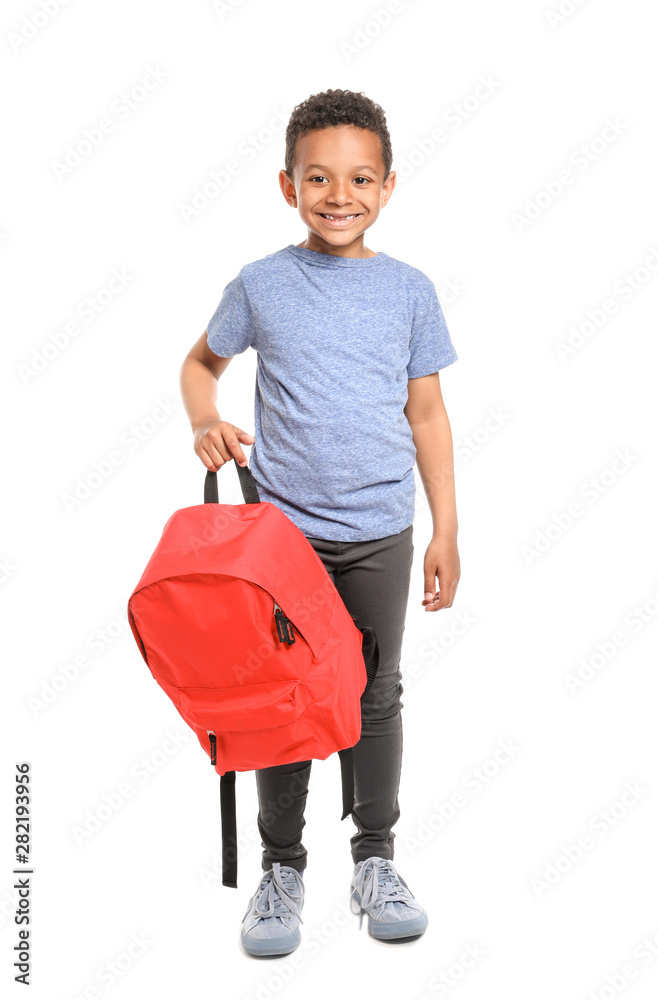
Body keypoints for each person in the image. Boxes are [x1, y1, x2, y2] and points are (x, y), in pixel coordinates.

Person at [179, 88, 461, 957]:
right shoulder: (261, 284)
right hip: (281, 542)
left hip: (379, 531)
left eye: (361, 178)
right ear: (287, 185)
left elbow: (427, 416)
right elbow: (199, 364)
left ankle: (375, 859)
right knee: (282, 698)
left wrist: (445, 528)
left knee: (375, 695)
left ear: (387, 187)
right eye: (319, 178)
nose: (341, 195)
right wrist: (205, 419)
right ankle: (281, 870)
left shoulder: (410, 291)